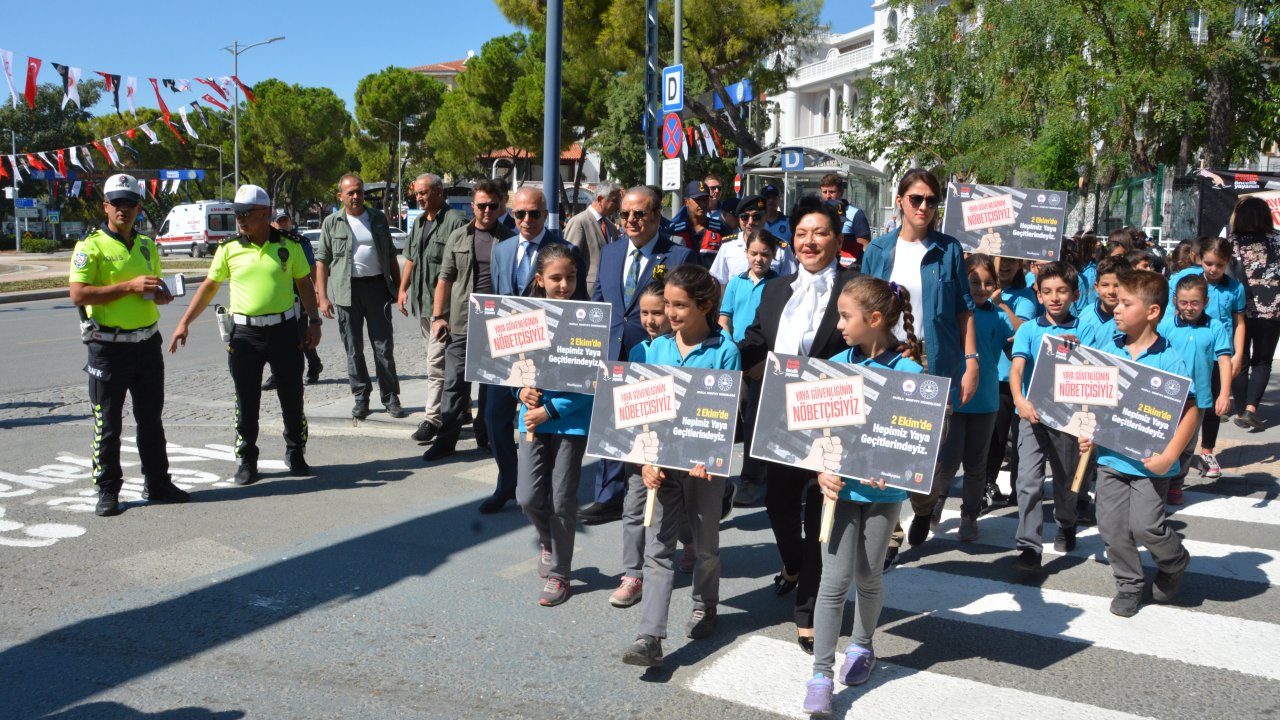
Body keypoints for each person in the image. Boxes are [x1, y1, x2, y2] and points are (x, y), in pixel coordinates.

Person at [738, 199, 858, 651]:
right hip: (779, 414)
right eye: (802, 233)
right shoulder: (774, 289)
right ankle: (792, 565)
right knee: (778, 505)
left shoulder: (854, 284)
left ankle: (807, 607)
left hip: (834, 414)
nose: (810, 241)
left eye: (821, 232)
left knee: (820, 511)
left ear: (837, 240)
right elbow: (754, 341)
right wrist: (721, 359)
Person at [802, 275, 921, 716]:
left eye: (846, 316)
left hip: (883, 494)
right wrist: (819, 469)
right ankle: (820, 674)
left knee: (869, 575)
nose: (839, 324)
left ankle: (863, 645)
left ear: (874, 319)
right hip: (838, 492)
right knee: (832, 583)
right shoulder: (834, 365)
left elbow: (920, 438)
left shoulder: (909, 373)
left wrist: (896, 463)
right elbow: (811, 431)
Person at [621, 264, 742, 668]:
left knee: (705, 546)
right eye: (667, 305)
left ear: (704, 306)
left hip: (704, 469)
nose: (669, 314)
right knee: (657, 550)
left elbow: (723, 417)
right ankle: (649, 636)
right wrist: (644, 461)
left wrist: (708, 457)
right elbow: (643, 412)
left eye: (679, 306)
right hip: (661, 465)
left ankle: (705, 604)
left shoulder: (725, 351)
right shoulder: (655, 350)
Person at [169, 185, 322, 485]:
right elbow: (208, 288)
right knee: (246, 400)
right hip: (245, 335)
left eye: (245, 213)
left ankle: (295, 452)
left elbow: (304, 284)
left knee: (292, 397)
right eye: (236, 213)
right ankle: (247, 460)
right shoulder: (229, 248)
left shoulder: (288, 245)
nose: (239, 219)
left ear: (264, 213)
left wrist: (314, 321)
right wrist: (184, 322)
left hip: (284, 330)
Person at [861, 168, 978, 557]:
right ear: (900, 201)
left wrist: (971, 361)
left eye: (931, 200)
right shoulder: (878, 250)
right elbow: (863, 306)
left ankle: (924, 508)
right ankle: (890, 535)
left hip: (934, 360)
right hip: (886, 358)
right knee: (885, 448)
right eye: (916, 199)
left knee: (923, 455)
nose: (924, 207)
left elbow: (964, 310)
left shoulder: (950, 250)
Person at [68, 172, 186, 516]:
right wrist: (130, 286)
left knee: (151, 419)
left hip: (147, 344)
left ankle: (158, 483)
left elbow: (150, 288)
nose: (124, 209)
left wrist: (158, 296)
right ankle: (107, 490)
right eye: (117, 203)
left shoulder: (148, 245)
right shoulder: (90, 246)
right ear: (105, 206)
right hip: (109, 348)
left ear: (138, 206)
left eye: (130, 203)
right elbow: (78, 293)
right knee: (108, 423)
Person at [1080, 269, 1195, 617]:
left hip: (1151, 464)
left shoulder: (1170, 359)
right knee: (1112, 528)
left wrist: (1171, 455)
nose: (1116, 308)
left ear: (1152, 312)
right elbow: (1095, 398)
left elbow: (1190, 412)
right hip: (1111, 461)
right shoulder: (1108, 349)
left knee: (1146, 525)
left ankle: (1174, 560)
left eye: (1126, 303)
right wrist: (1087, 429)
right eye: (1116, 301)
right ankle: (1129, 584)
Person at [583, 185, 696, 524]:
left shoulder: (679, 256)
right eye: (625, 214)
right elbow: (599, 303)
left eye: (639, 214)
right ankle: (608, 495)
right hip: (613, 351)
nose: (631, 220)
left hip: (656, 353)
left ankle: (664, 489)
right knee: (612, 421)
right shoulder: (612, 252)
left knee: (654, 424)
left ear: (656, 216)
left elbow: (688, 308)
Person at [482, 187, 587, 514]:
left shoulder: (565, 249)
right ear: (511, 215)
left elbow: (578, 302)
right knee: (494, 418)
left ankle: (544, 491)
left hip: (551, 355)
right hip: (510, 355)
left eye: (534, 213)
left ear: (546, 213)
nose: (527, 220)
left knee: (546, 426)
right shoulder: (503, 249)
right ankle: (507, 484)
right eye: (519, 214)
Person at [514, 243, 594, 606]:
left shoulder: (589, 319)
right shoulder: (525, 318)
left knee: (562, 498)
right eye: (556, 278)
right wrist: (520, 392)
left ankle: (561, 574)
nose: (564, 284)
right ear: (540, 280)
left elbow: (592, 383)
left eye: (571, 277)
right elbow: (508, 368)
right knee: (527, 496)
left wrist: (553, 410)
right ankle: (547, 539)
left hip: (570, 423)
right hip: (532, 419)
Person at [425, 180, 516, 462]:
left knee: (491, 388)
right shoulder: (458, 237)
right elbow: (445, 278)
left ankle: (485, 436)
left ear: (500, 205)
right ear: (473, 206)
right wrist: (438, 317)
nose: (487, 211)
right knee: (454, 384)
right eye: (481, 206)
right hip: (462, 322)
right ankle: (446, 439)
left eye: (492, 205)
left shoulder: (511, 238)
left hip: (498, 325)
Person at [1008, 261, 1082, 572]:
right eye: (1048, 291)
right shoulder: (1028, 329)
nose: (1055, 298)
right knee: (1028, 480)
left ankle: (1066, 522)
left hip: (1068, 418)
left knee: (1066, 481)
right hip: (1032, 415)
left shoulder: (1084, 328)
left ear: (1074, 295)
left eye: (1062, 291)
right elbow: (1017, 368)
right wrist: (1020, 401)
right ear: (1038, 295)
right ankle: (1029, 545)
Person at [315, 174, 405, 420]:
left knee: (383, 348)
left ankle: (390, 397)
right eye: (350, 193)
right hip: (347, 292)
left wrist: (398, 287)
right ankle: (361, 397)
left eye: (359, 192)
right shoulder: (332, 223)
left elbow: (389, 256)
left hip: (377, 289)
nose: (356, 197)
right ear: (340, 196)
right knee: (353, 349)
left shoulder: (377, 219)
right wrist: (322, 297)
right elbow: (322, 262)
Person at [610, 280, 671, 608]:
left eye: (657, 312)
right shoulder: (636, 352)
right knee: (633, 507)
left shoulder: (680, 351)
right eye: (644, 313)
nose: (650, 320)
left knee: (678, 509)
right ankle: (633, 573)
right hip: (640, 447)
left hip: (674, 448)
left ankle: (686, 543)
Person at [945, 254, 1014, 542]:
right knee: (947, 463)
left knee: (976, 466)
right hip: (953, 399)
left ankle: (969, 515)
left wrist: (1004, 306)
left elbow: (1020, 341)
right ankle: (933, 503)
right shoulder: (953, 313)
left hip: (986, 402)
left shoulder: (998, 316)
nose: (981, 288)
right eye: (974, 281)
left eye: (988, 283)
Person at [398, 174, 469, 445]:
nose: (419, 197)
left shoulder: (455, 222)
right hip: (423, 304)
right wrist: (402, 290)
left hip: (447, 309)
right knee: (445, 362)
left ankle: (432, 419)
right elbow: (412, 259)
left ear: (439, 192)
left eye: (424, 192)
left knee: (435, 364)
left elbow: (460, 270)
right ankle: (461, 408)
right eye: (417, 193)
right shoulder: (418, 222)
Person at [1159, 273, 1232, 505]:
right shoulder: (1165, 325)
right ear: (1174, 301)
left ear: (1206, 302)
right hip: (1165, 395)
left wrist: (1224, 393)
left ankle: (1176, 485)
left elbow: (1224, 360)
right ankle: (1157, 483)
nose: (1189, 308)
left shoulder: (1215, 326)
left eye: (1195, 303)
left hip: (1198, 398)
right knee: (1162, 441)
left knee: (1187, 446)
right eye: (1184, 302)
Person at [1186, 237, 1245, 478]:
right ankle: (1178, 448)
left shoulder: (1235, 288)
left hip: (1218, 357)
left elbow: (1239, 323)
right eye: (1208, 263)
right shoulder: (1186, 282)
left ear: (1228, 262)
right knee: (1183, 401)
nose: (1213, 269)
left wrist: (1238, 355)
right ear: (1200, 259)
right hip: (1189, 353)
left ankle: (1207, 451)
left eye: (1219, 265)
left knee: (1212, 407)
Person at [985, 258, 1037, 505]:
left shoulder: (1026, 296)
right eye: (1000, 260)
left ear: (1020, 266)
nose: (1004, 266)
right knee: (983, 438)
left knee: (1001, 438)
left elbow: (1021, 331)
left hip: (1007, 377)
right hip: (982, 371)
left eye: (1011, 262)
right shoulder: (979, 286)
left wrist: (1001, 304)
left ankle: (990, 483)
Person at [1230, 197, 1280, 430]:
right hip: (1272, 310)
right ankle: (1251, 409)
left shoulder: (1231, 242)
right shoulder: (1278, 240)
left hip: (1239, 309)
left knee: (1240, 358)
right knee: (1262, 360)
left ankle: (1239, 409)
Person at [262, 209, 322, 390]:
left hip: (299, 293)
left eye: (285, 220)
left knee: (302, 334)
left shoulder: (300, 243)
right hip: (278, 295)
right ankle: (276, 374)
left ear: (291, 222)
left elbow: (312, 268)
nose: (283, 224)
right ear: (272, 223)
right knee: (274, 336)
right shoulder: (265, 242)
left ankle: (314, 365)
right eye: (279, 221)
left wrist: (318, 291)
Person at [709, 194, 797, 285]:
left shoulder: (781, 248)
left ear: (766, 216)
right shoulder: (728, 246)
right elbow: (719, 281)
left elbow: (790, 283)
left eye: (756, 217)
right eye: (744, 217)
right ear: (739, 219)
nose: (750, 222)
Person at [561, 181, 621, 291]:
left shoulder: (611, 226)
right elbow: (569, 259)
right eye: (615, 201)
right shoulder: (579, 222)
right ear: (600, 199)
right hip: (585, 292)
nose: (618, 206)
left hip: (608, 290)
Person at [818, 172, 872, 265]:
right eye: (824, 192)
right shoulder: (816, 214)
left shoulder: (855, 214)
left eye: (832, 192)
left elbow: (865, 248)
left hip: (849, 268)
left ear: (841, 192)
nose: (827, 196)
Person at [672, 180, 724, 267]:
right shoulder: (675, 231)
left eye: (705, 199)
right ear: (686, 202)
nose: (703, 204)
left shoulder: (720, 229)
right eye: (698, 200)